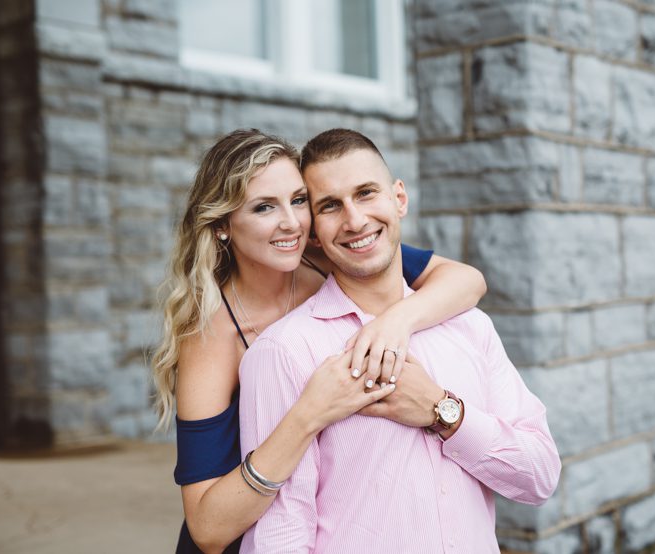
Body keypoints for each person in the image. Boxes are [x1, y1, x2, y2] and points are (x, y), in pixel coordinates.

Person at [151, 129, 488, 553]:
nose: (291, 223)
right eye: (263, 208)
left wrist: (396, 321)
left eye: (297, 200)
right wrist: (308, 414)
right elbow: (208, 528)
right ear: (222, 226)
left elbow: (467, 279)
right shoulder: (210, 336)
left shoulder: (327, 253)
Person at [238, 129, 562, 553]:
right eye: (331, 206)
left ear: (399, 199)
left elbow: (539, 477)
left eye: (366, 193)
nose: (355, 220)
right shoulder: (287, 350)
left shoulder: (471, 327)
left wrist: (444, 413)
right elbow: (280, 535)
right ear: (313, 233)